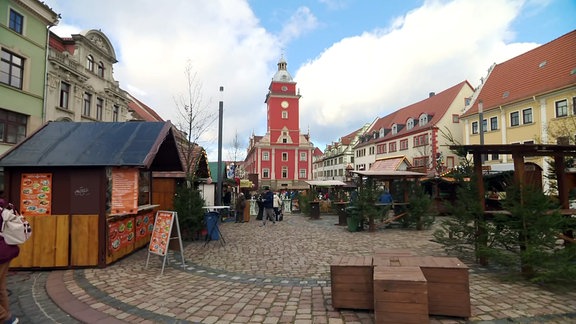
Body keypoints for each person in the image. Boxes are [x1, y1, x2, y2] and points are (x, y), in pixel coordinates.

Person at [0, 203, 20, 324]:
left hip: (1, 252)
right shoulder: (4, 206)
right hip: (6, 250)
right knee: (1, 287)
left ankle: (5, 318)